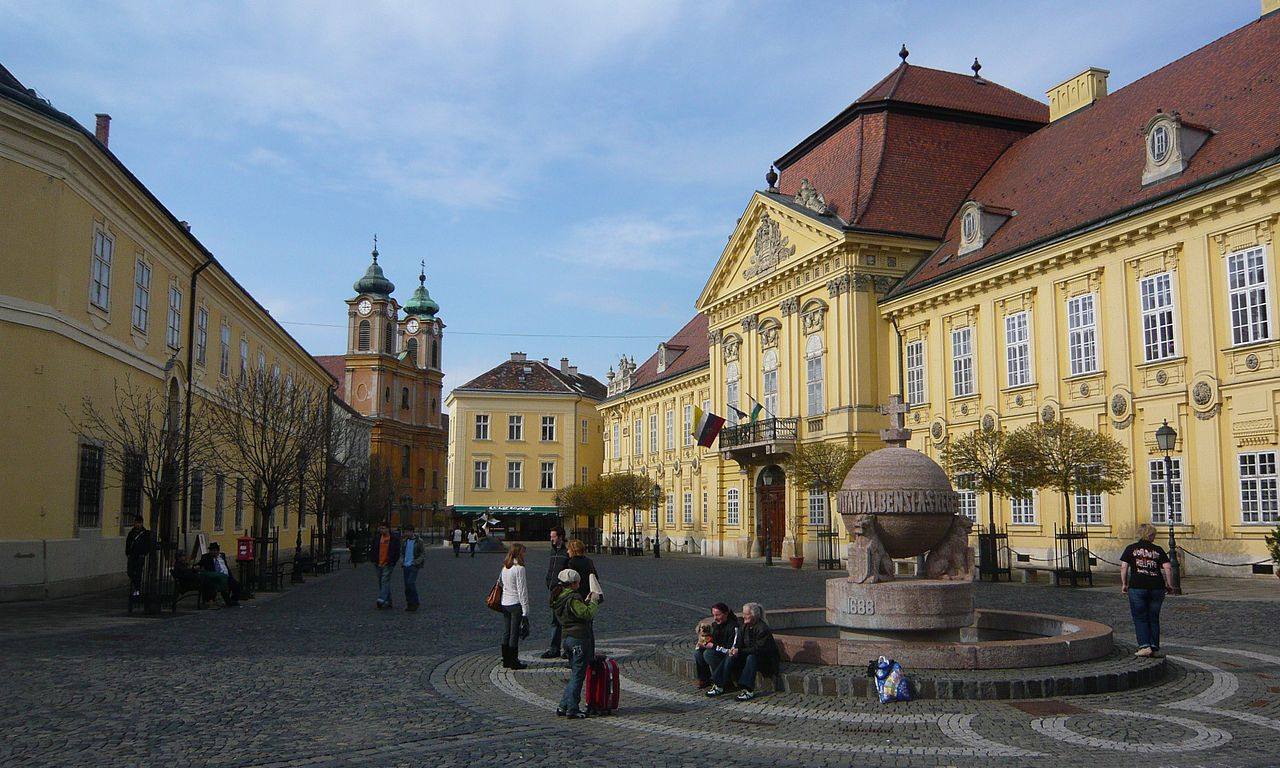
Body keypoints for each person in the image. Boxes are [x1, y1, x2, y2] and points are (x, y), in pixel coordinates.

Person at [551, 568, 601, 718]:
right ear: (572, 584)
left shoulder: (559, 596)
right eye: (578, 583)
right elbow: (587, 614)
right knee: (578, 675)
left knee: (575, 673)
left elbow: (574, 611)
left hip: (566, 637)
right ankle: (572, 708)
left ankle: (563, 705)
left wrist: (584, 602)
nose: (579, 585)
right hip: (578, 638)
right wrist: (593, 602)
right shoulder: (572, 598)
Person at [1120, 523, 1175, 658]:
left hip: (1137, 586)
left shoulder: (1131, 548)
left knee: (1140, 617)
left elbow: (1124, 567)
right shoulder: (1158, 550)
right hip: (1157, 587)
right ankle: (1154, 646)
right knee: (1153, 617)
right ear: (1150, 535)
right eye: (1154, 534)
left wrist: (1124, 584)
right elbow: (1168, 568)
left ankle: (1145, 646)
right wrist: (1170, 584)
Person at [707, 602, 777, 701]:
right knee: (731, 655)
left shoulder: (762, 629)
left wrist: (739, 651)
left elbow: (758, 649)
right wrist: (734, 650)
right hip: (747, 655)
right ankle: (718, 685)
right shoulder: (744, 627)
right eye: (743, 613)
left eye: (746, 614)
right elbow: (738, 644)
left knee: (751, 657)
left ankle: (748, 690)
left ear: (754, 615)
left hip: (764, 659)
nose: (743, 616)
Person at [499, 543, 531, 669]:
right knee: (514, 633)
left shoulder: (505, 567)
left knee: (506, 632)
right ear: (518, 553)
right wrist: (525, 610)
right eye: (523, 552)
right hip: (515, 603)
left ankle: (506, 660)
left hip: (505, 602)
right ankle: (514, 661)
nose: (525, 554)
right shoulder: (519, 569)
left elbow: (502, 583)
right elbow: (522, 590)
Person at [694, 602, 741, 689]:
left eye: (718, 615)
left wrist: (713, 646)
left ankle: (725, 681)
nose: (715, 618)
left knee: (708, 654)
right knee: (698, 652)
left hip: (730, 656)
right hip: (719, 651)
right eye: (713, 615)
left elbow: (731, 650)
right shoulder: (715, 625)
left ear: (726, 613)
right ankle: (704, 679)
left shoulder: (734, 627)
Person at [540, 526, 571, 659]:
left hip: (563, 591)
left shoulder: (567, 552)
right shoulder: (553, 551)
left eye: (553, 536)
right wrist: (549, 581)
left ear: (560, 537)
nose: (551, 539)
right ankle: (554, 649)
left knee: (566, 621)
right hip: (553, 590)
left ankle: (567, 649)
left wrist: (562, 585)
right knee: (554, 621)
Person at [197, 542, 242, 606]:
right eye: (211, 550)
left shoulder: (222, 556)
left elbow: (225, 566)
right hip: (217, 577)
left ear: (218, 551)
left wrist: (229, 574)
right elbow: (199, 564)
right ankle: (228, 601)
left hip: (227, 576)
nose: (213, 552)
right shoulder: (206, 557)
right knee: (222, 585)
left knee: (237, 585)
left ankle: (234, 600)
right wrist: (196, 567)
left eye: (215, 550)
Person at [368, 521, 400, 609]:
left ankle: (381, 599)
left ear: (388, 529)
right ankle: (389, 601)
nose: (381, 530)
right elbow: (373, 548)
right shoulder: (377, 538)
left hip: (388, 563)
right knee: (382, 583)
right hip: (378, 563)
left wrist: (393, 561)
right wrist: (373, 560)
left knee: (385, 580)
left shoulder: (394, 539)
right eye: (380, 528)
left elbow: (397, 551)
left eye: (383, 528)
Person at [125, 515, 152, 597]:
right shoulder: (131, 533)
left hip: (140, 556)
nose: (137, 525)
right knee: (130, 572)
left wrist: (144, 553)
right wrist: (128, 553)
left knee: (138, 572)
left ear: (142, 523)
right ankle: (136, 585)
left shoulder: (145, 533)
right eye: (136, 523)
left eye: (139, 523)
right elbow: (128, 544)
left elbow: (147, 544)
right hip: (132, 555)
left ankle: (137, 589)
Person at [401, 524, 425, 611]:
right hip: (405, 565)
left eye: (407, 531)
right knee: (407, 586)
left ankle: (415, 601)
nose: (406, 533)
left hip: (414, 565)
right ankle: (409, 603)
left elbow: (423, 553)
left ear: (412, 531)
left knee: (410, 583)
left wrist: (416, 562)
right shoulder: (404, 541)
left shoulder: (419, 541)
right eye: (405, 532)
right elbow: (402, 552)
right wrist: (402, 560)